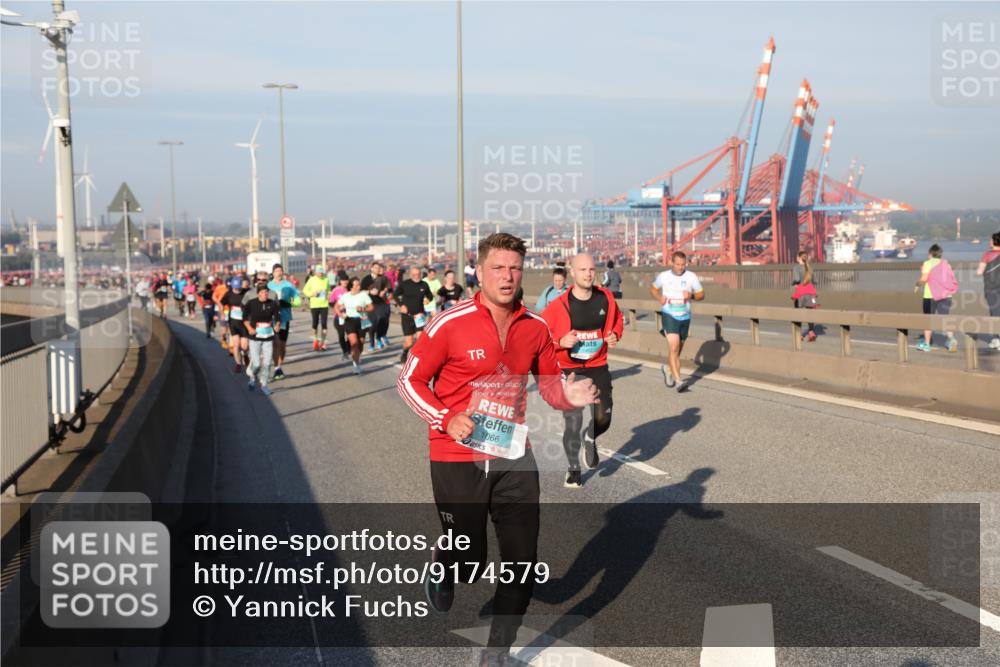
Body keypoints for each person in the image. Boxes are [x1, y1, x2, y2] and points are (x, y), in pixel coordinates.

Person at [395, 233, 598, 665]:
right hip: (457, 454)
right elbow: (408, 382)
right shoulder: (448, 324)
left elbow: (549, 386)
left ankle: (496, 654)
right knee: (470, 560)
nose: (507, 277)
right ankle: (446, 557)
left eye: (514, 268)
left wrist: (569, 395)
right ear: (480, 272)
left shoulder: (536, 327)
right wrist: (445, 417)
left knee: (522, 561)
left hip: (512, 454)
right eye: (498, 269)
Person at [541, 253, 623, 488]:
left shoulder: (605, 297)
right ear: (573, 273)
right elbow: (540, 335)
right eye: (583, 270)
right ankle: (573, 469)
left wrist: (615, 334)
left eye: (591, 269)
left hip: (597, 366)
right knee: (573, 422)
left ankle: (591, 436)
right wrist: (559, 342)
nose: (588, 273)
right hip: (570, 369)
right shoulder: (558, 306)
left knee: (604, 417)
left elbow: (618, 318)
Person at [651, 251, 705, 391]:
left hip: (685, 317)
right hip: (669, 315)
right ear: (672, 263)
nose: (680, 267)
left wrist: (691, 295)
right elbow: (653, 289)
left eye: (683, 264)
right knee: (674, 347)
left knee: (677, 350)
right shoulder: (664, 276)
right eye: (678, 264)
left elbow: (701, 295)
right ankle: (679, 381)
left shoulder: (691, 277)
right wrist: (659, 298)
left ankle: (667, 369)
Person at [915, 244, 958, 353]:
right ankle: (952, 340)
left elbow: (924, 278)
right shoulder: (946, 264)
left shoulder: (928, 263)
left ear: (930, 254)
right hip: (946, 295)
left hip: (930, 296)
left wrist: (917, 285)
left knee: (928, 320)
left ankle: (926, 344)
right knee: (946, 318)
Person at [243, 283, 282, 397]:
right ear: (258, 293)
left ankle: (264, 385)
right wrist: (250, 328)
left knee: (267, 362)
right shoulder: (251, 303)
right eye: (263, 292)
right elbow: (244, 318)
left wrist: (277, 325)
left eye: (266, 292)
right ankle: (252, 376)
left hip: (268, 336)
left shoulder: (272, 303)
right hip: (255, 336)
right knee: (256, 364)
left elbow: (278, 317)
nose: (265, 294)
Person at [393, 265, 434, 363]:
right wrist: (401, 305)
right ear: (410, 275)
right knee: (409, 342)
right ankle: (405, 352)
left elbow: (430, 296)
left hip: (419, 316)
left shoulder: (424, 284)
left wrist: (428, 299)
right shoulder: (404, 284)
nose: (417, 276)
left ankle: (417, 358)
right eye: (414, 274)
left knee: (420, 339)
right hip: (407, 316)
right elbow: (395, 295)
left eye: (418, 274)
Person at [335, 277, 374, 374]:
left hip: (362, 320)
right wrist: (340, 314)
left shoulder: (363, 295)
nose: (358, 286)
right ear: (351, 286)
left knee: (360, 344)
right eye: (356, 285)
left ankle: (356, 358)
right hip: (349, 320)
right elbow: (336, 306)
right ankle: (356, 365)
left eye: (359, 285)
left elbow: (371, 307)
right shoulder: (345, 296)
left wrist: (363, 309)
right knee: (354, 343)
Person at [268, 263, 300, 380]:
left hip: (284, 318)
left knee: (282, 345)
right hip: (270, 318)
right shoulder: (268, 285)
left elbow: (297, 300)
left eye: (280, 271)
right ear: (273, 273)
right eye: (276, 271)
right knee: (274, 343)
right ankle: (277, 368)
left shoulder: (288, 285)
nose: (279, 273)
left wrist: (290, 303)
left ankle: (279, 365)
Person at [976, 231, 1000, 350]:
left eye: (990, 239)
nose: (989, 241)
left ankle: (998, 340)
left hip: (992, 288)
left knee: (995, 312)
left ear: (995, 241)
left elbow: (979, 272)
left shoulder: (987, 255)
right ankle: (996, 339)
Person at [361, 262, 392, 352]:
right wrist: (370, 292)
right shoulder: (366, 279)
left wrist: (385, 292)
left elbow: (389, 289)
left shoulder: (383, 278)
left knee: (381, 321)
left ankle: (378, 338)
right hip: (370, 304)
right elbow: (362, 291)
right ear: (371, 268)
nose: (377, 269)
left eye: (378, 268)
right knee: (372, 324)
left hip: (381, 303)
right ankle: (371, 344)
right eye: (375, 267)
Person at [222, 277, 249, 373]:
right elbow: (222, 303)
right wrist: (223, 313)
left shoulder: (246, 292)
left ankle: (245, 355)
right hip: (233, 322)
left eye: (238, 288)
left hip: (245, 323)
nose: (237, 290)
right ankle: (238, 364)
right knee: (236, 345)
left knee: (245, 346)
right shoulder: (228, 294)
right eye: (235, 288)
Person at [791, 251, 819, 342]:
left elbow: (797, 279)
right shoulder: (810, 268)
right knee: (810, 313)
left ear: (798, 258)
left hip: (800, 294)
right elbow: (815, 281)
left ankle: (800, 335)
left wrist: (793, 283)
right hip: (811, 294)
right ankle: (811, 332)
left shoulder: (796, 268)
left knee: (797, 314)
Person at [303, 264, 331, 352]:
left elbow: (329, 290)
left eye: (322, 272)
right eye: (319, 272)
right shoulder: (311, 280)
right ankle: (315, 340)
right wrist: (312, 294)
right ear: (315, 272)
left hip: (324, 304)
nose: (321, 274)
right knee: (315, 324)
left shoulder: (326, 280)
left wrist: (328, 296)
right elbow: (305, 290)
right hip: (314, 304)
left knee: (324, 324)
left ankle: (322, 343)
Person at [329, 273, 352, 360]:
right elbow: (331, 302)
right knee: (341, 334)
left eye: (346, 280)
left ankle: (348, 347)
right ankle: (344, 351)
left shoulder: (351, 290)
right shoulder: (336, 290)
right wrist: (338, 306)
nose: (344, 282)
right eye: (343, 280)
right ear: (340, 281)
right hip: (339, 316)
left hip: (350, 316)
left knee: (350, 334)